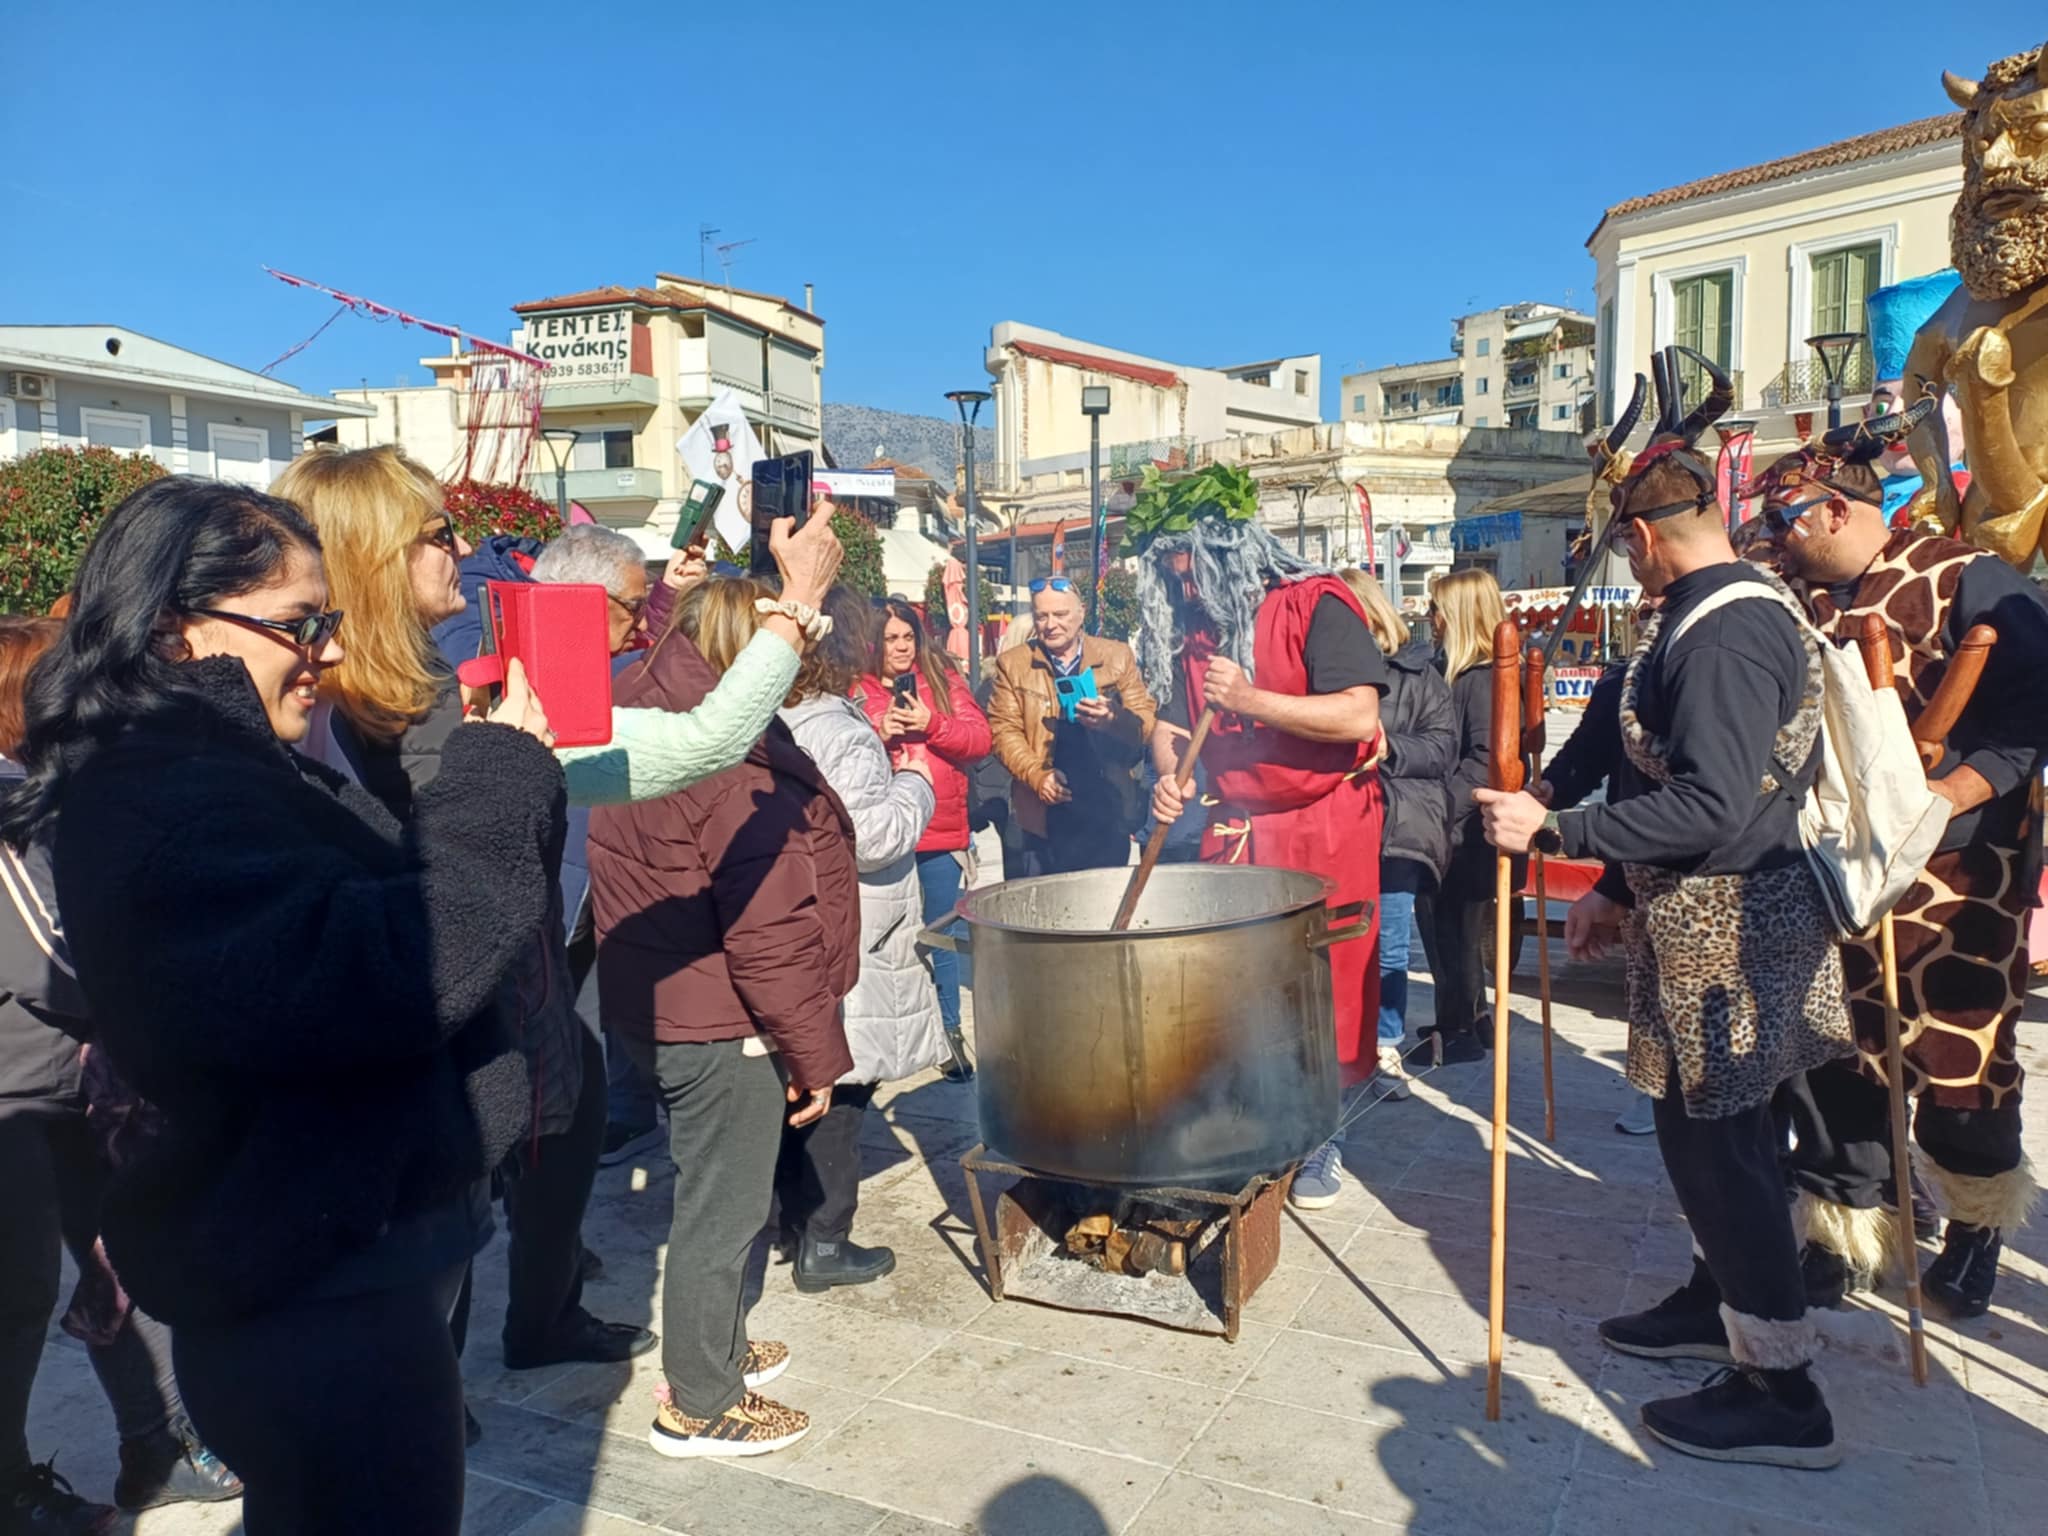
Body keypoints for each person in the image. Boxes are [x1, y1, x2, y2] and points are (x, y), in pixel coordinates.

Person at [0, 476, 562, 1535]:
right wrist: (496, 778)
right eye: (303, 626)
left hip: (336, 1269)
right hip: (316, 1297)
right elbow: (392, 967)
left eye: (332, 622)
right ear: (175, 629)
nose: (331, 655)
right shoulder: (166, 792)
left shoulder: (214, 768)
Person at [273, 445, 844, 1385]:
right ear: (378, 556)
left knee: (533, 1166)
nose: (468, 549)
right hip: (415, 1064)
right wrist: (797, 602)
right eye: (439, 532)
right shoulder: (412, 717)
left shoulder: (402, 696)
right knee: (415, 1300)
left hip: (471, 1028)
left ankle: (525, 1333)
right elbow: (704, 742)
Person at [1479, 351, 1851, 1469]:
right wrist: (1561, 810)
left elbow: (1704, 800)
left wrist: (1555, 836)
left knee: (1721, 1145)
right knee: (1700, 1140)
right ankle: (1717, 1298)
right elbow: (1612, 732)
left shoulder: (1732, 626)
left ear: (1643, 533)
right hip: (1685, 919)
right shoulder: (1676, 614)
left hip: (1739, 925)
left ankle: (1781, 1390)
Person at [1749, 409, 2048, 1317]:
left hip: (1961, 878)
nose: (1775, 541)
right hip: (1834, 872)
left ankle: (1975, 1222)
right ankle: (1848, 1228)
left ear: (1837, 511)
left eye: (1784, 521)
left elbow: (2029, 717)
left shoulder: (1970, 579)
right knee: (1842, 1061)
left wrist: (1941, 799)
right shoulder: (1794, 602)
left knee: (1962, 1064)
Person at [585, 576, 859, 1458]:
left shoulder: (650, 706)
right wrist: (814, 1053)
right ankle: (701, 1401)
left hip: (660, 1000)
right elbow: (767, 930)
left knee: (711, 1191)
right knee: (723, 1208)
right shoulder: (730, 767)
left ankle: (719, 1347)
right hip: (719, 1018)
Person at [0, 616, 241, 1534]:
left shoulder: (45, 797)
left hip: (65, 1083)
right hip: (16, 1098)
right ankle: (12, 1489)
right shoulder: (11, 806)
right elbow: (54, 954)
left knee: (124, 1263)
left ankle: (160, 1442)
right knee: (19, 1303)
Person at [1137, 487, 1385, 1214]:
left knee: (1324, 985)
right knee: (1237, 983)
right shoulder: (1193, 630)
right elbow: (1172, 726)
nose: (1184, 589)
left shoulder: (1317, 602)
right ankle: (1250, 1120)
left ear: (1228, 554)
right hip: (1238, 823)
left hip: (1325, 820)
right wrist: (1166, 776)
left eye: (1192, 573)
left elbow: (1357, 714)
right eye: (1174, 577)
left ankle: (1321, 1135)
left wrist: (1251, 701)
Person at [776, 587, 946, 1290]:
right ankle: (824, 1237)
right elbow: (872, 837)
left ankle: (790, 1219)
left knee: (804, 1079)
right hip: (855, 923)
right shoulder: (837, 729)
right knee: (845, 1081)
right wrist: (915, 783)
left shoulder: (775, 716)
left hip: (801, 916)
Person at [856, 597, 992, 1081]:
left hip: (939, 831)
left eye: (907, 637)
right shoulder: (857, 687)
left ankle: (949, 1033)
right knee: (881, 940)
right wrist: (878, 728)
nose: (900, 647)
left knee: (940, 935)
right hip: (884, 834)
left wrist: (930, 724)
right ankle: (878, 1037)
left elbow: (979, 741)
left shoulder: (943, 680)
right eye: (890, 639)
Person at [1341, 569, 1455, 1099]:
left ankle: (1386, 1041)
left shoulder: (1418, 674)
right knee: (1337, 945)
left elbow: (1442, 748)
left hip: (1397, 824)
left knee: (1388, 945)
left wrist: (1391, 748)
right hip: (1338, 826)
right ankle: (1340, 1048)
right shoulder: (1319, 670)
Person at [987, 578, 1157, 876]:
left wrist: (1115, 719)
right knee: (1042, 913)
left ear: (1081, 613)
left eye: (1060, 615)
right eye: (1042, 616)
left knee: (1103, 910)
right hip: (1042, 814)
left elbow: (1145, 723)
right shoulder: (1013, 664)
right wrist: (1038, 777)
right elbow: (1004, 731)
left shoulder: (1117, 656)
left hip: (1106, 809)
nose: (1050, 624)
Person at [1421, 569, 1520, 1068]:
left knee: (1451, 930)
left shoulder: (1481, 678)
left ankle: (1457, 1027)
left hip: (1464, 831)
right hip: (1459, 827)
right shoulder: (1466, 674)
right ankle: (1469, 1019)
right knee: (1454, 930)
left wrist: (1437, 809)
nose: (1430, 619)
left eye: (1437, 610)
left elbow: (1485, 758)